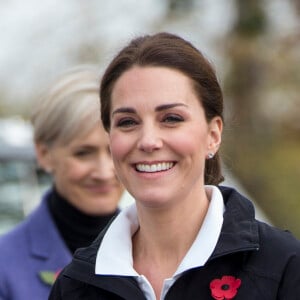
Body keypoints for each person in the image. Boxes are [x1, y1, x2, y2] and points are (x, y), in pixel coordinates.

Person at [49, 33, 300, 300]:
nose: (148, 141)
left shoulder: (284, 267)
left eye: (171, 118)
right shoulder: (74, 286)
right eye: (127, 122)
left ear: (213, 135)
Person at [0, 65, 124, 300]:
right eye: (83, 153)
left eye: (113, 151)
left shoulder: (159, 250)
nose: (104, 171)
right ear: (44, 154)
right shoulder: (5, 266)